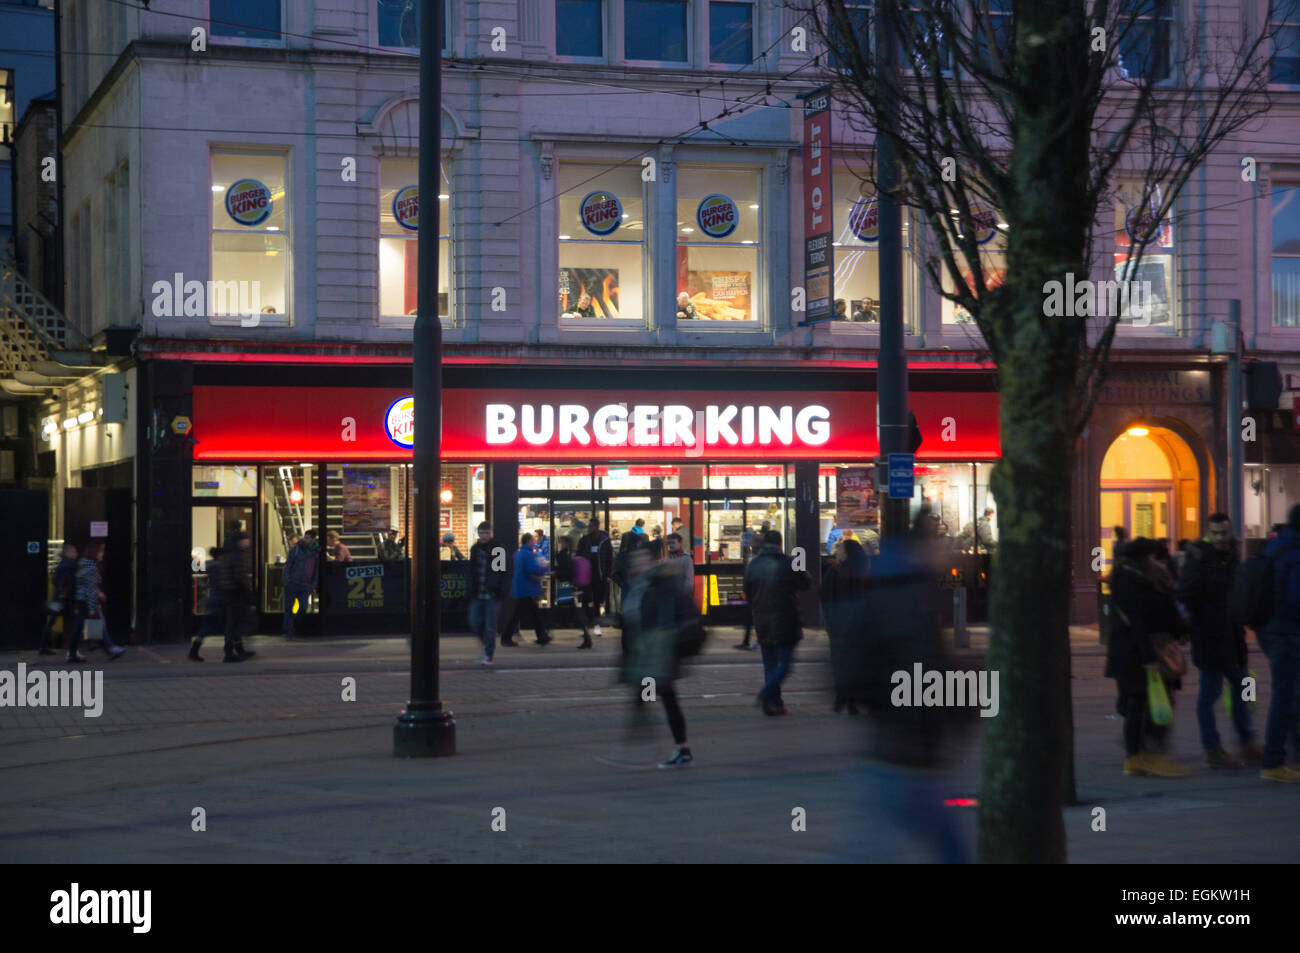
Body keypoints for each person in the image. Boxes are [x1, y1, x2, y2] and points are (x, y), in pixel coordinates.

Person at [1176, 514, 1259, 768]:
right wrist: (1188, 625)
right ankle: (1212, 749)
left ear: (1231, 532)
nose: (1221, 538)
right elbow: (1184, 596)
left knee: (1242, 691)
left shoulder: (1233, 556)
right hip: (1209, 638)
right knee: (1209, 695)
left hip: (1233, 638)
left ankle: (1247, 743)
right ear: (1208, 534)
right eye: (1216, 533)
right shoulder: (1198, 561)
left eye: (1224, 532)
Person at [1105, 538, 1191, 777]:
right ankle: (1137, 756)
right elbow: (1138, 624)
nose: (1155, 560)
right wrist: (1149, 657)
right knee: (1137, 703)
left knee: (1149, 702)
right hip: (1136, 654)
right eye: (1151, 556)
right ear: (1140, 558)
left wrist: (1180, 630)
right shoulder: (1129, 582)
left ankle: (1147, 752)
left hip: (1149, 650)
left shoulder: (1150, 578)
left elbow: (1164, 610)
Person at [617, 547, 694, 769]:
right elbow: (639, 618)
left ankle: (651, 749)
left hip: (658, 658)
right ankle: (676, 748)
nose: (637, 564)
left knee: (655, 700)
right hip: (647, 658)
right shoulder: (640, 586)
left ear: (652, 562)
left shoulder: (660, 584)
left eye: (641, 560)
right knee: (655, 700)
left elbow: (662, 621)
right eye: (634, 560)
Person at [744, 530, 812, 715]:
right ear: (780, 543)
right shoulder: (789, 563)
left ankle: (775, 703)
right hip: (786, 620)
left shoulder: (753, 564)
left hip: (762, 622)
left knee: (769, 664)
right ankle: (767, 695)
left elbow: (747, 591)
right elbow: (805, 584)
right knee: (785, 664)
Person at [1256, 503, 1300, 782]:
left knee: (1290, 693)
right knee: (1285, 696)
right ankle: (1272, 761)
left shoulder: (1275, 546)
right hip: (1287, 632)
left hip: (1268, 630)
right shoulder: (1296, 553)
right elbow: (1297, 598)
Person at [821, 537, 871, 714]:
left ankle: (842, 696)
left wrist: (829, 622)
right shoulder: (865, 572)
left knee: (840, 662)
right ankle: (852, 700)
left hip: (839, 624)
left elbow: (825, 597)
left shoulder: (835, 572)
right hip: (859, 624)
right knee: (857, 663)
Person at [467, 522, 507, 666]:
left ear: (490, 533)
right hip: (478, 592)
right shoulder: (475, 549)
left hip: (491, 593)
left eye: (486, 533)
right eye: (482, 533)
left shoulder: (498, 549)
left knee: (490, 626)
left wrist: (498, 588)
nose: (484, 536)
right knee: (475, 622)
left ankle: (489, 654)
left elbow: (501, 571)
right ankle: (487, 646)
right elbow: (471, 570)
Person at [214, 532, 256, 662]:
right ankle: (230, 652)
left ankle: (237, 649)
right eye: (246, 539)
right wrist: (249, 595)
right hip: (236, 594)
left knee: (234, 623)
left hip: (230, 593)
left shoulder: (231, 553)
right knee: (235, 624)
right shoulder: (238, 556)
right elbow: (240, 577)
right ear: (240, 542)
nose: (248, 542)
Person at [512, 533, 552, 646]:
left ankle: (541, 636)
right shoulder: (529, 554)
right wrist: (544, 568)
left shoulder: (518, 553)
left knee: (531, 613)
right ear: (528, 541)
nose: (535, 542)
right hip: (528, 588)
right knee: (526, 614)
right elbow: (532, 569)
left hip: (521, 587)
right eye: (533, 540)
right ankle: (506, 636)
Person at [38, 543, 78, 656]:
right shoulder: (69, 565)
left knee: (51, 622)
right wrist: (64, 594)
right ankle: (72, 649)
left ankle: (43, 646)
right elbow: (66, 583)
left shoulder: (63, 564)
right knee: (74, 623)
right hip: (65, 600)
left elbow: (56, 581)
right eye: (73, 552)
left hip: (60, 599)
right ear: (67, 553)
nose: (75, 554)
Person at [578, 517, 615, 638]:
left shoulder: (604, 541)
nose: (589, 528)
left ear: (597, 526)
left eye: (591, 526)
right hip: (587, 575)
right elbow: (579, 556)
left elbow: (609, 558)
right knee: (585, 602)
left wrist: (608, 574)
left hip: (599, 575)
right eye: (589, 526)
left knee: (597, 601)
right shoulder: (584, 540)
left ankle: (596, 626)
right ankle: (585, 627)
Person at [190, 547, 226, 662]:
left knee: (208, 627)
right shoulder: (220, 567)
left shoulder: (210, 566)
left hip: (213, 599)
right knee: (211, 627)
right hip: (219, 600)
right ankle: (194, 651)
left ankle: (194, 650)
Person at [283, 529, 320, 640]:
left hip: (306, 585)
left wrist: (313, 583)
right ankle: (288, 631)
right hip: (293, 583)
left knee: (303, 607)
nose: (305, 539)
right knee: (289, 608)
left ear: (313, 539)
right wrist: (287, 580)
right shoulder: (296, 549)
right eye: (305, 537)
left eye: (308, 538)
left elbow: (316, 568)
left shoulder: (316, 552)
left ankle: (296, 628)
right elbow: (288, 565)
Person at [665, 532, 694, 598]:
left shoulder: (686, 559)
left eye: (673, 543)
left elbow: (689, 581)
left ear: (680, 543)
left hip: (682, 597)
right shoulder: (667, 558)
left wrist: (685, 595)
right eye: (669, 543)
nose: (670, 545)